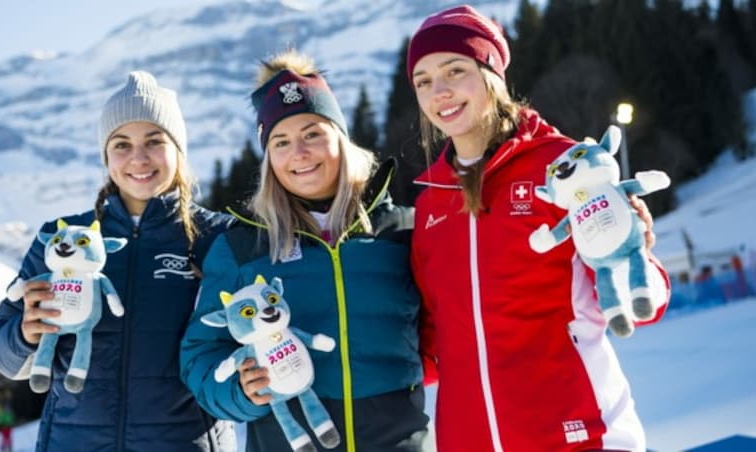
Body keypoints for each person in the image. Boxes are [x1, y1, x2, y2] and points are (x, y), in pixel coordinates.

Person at [406, 5, 671, 451]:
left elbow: (639, 298)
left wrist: (632, 254)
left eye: (455, 70)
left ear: (491, 73)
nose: (441, 92)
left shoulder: (562, 169)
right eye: (424, 81)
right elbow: (432, 347)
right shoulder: (432, 203)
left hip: (581, 435)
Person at [180, 50, 429, 452]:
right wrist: (241, 392)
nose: (299, 153)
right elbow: (200, 355)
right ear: (268, 160)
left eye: (312, 133)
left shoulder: (401, 231)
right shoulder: (242, 247)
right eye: (280, 141)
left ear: (340, 138)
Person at [0, 71, 235, 451]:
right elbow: (2, 358)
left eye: (154, 141)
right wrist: (24, 333)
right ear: (106, 156)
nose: (138, 158)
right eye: (121, 144)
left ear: (178, 149)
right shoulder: (60, 238)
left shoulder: (218, 237)